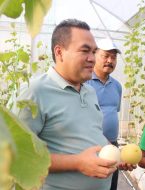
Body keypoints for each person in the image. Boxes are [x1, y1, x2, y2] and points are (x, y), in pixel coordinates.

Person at [11, 19, 124, 190]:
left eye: (94, 52)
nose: (92, 59)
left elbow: (93, 133)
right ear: (59, 52)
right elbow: (14, 154)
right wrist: (77, 163)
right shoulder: (34, 92)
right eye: (85, 51)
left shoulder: (89, 91)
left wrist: (113, 153)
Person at [86, 38, 122, 190]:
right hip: (90, 145)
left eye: (113, 57)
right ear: (94, 56)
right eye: (105, 56)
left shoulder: (117, 86)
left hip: (112, 145)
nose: (110, 60)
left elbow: (113, 112)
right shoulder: (85, 83)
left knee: (111, 185)